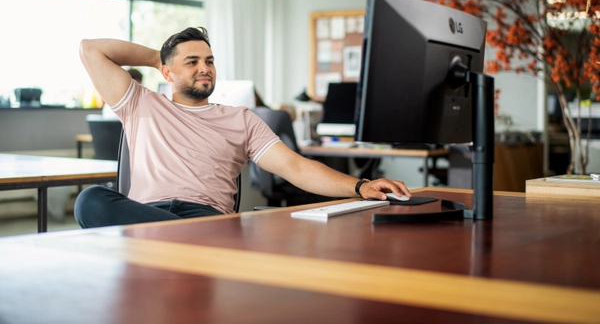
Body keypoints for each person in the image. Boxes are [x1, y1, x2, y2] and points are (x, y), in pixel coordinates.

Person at [74, 27, 411, 228]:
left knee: (194, 231)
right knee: (91, 199)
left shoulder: (240, 119)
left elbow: (295, 167)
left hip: (206, 220)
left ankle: (177, 242)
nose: (205, 68)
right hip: (145, 216)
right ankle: (175, 241)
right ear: (167, 72)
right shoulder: (141, 104)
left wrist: (360, 185)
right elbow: (91, 49)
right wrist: (160, 56)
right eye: (192, 62)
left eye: (209, 61)